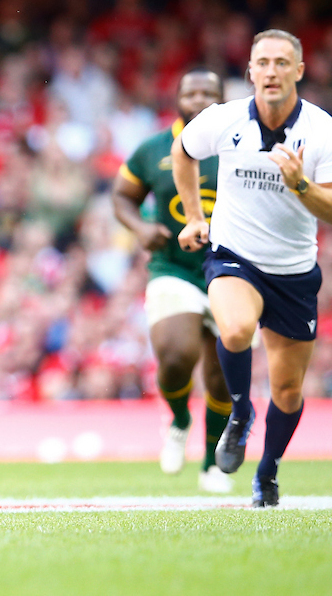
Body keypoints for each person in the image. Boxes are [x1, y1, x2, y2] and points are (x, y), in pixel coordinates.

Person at [171, 30, 332, 507]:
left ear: (299, 70)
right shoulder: (225, 119)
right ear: (250, 71)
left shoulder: (323, 131)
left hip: (294, 271)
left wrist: (300, 185)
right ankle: (239, 412)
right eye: (262, 63)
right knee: (234, 330)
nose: (270, 71)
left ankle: (267, 474)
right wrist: (195, 217)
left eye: (281, 62)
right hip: (235, 255)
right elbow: (183, 152)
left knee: (289, 389)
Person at [113, 68, 233, 493]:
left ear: (221, 99)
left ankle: (214, 459)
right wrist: (140, 229)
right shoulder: (152, 149)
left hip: (232, 269)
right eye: (190, 91)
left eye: (208, 92)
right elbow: (123, 197)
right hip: (173, 265)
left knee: (223, 374)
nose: (198, 97)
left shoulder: (242, 145)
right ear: (178, 97)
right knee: (177, 353)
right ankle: (179, 419)